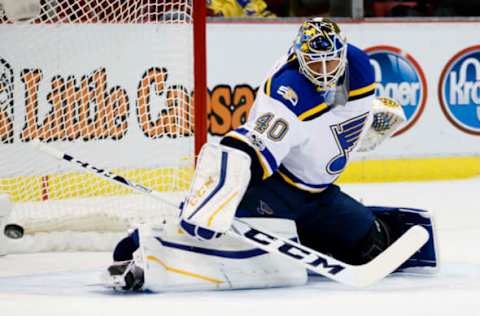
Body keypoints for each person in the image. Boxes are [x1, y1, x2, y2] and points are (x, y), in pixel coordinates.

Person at [106, 18, 437, 292]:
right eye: (314, 61)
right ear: (298, 56)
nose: (324, 70)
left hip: (320, 196)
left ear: (344, 51)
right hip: (274, 190)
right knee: (217, 231)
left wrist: (363, 125)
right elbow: (249, 148)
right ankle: (145, 240)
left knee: (372, 246)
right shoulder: (288, 92)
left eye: (331, 60)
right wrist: (219, 191)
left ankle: (307, 240)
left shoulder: (361, 67)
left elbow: (334, 122)